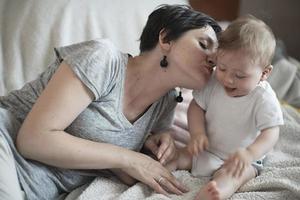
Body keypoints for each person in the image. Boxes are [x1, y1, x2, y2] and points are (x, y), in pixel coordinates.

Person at [0, 5, 221, 200]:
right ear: (165, 39)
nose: (213, 59)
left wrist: (152, 148)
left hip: (34, 190)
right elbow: (33, 140)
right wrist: (130, 158)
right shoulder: (103, 59)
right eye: (204, 44)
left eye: (216, 55)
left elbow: (119, 166)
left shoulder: (167, 102)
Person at [165, 15, 284, 200]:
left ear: (264, 73)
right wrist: (197, 134)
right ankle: (160, 171)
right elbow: (196, 107)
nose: (228, 79)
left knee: (233, 177)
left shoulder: (263, 98)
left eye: (240, 75)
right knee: (180, 156)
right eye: (222, 68)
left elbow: (271, 132)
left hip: (239, 161)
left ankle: (216, 192)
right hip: (207, 149)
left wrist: (249, 153)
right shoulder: (214, 81)